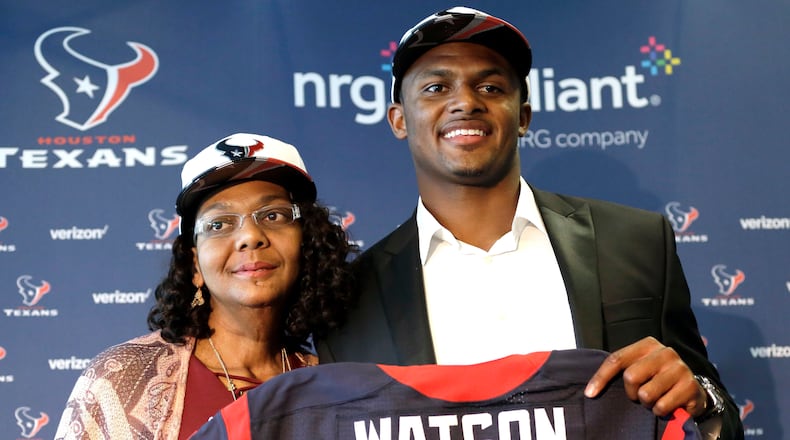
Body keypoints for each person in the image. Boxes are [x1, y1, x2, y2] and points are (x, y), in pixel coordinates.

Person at [315, 6, 743, 439]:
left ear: (522, 117)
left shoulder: (634, 241)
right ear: (399, 120)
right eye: (436, 87)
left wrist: (702, 402)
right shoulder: (351, 301)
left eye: (490, 86)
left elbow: (720, 418)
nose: (465, 102)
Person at [54, 132, 356, 439]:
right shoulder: (122, 377)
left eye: (273, 215)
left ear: (307, 243)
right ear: (195, 264)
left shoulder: (340, 386)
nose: (250, 236)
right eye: (219, 224)